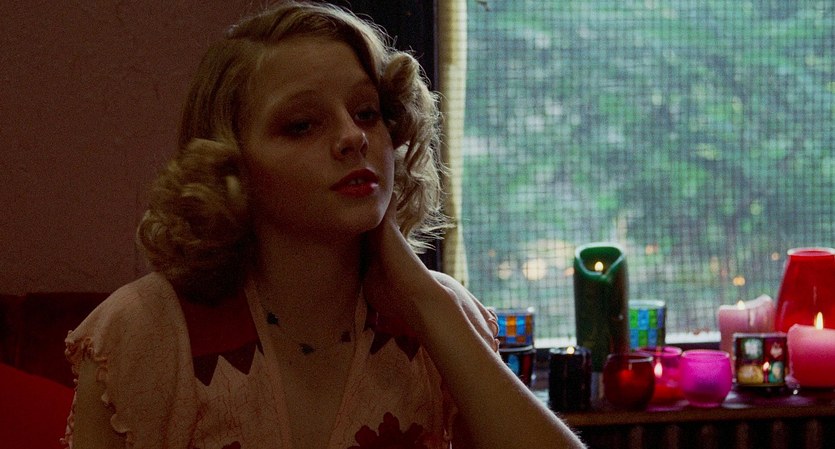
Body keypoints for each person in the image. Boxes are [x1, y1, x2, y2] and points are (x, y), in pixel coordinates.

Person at [63, 1, 586, 448]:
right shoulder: (146, 332)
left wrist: (426, 301)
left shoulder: (440, 315)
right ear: (230, 165)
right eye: (302, 125)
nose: (353, 138)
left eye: (366, 112)